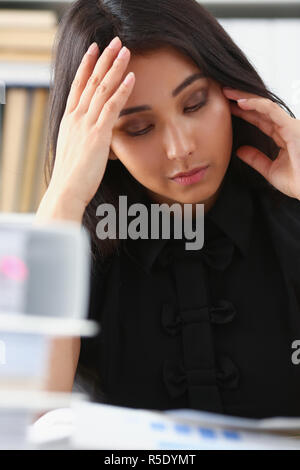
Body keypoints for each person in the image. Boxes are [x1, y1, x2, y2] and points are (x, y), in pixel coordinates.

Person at [35, 0, 300, 419]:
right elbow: (27, 422)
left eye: (194, 104)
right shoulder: (79, 249)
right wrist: (63, 198)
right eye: (138, 128)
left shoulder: (291, 219)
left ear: (232, 93)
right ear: (102, 143)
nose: (181, 149)